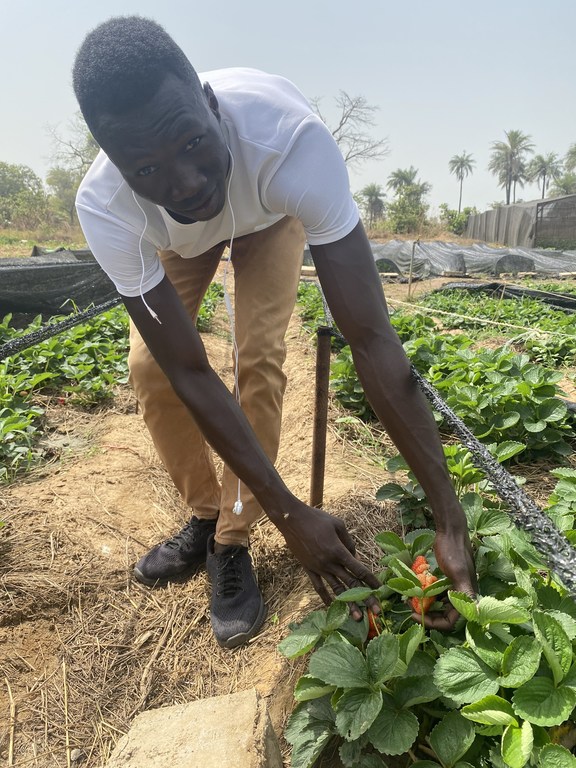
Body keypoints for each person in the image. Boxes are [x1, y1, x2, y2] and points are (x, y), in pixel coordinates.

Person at [72, 16, 475, 649]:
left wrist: (449, 517)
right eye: (145, 170)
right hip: (175, 239)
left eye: (190, 143)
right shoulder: (106, 206)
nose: (184, 181)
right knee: (150, 369)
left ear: (211, 104)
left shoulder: (290, 143)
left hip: (266, 213)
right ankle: (206, 516)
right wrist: (293, 514)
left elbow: (369, 337)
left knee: (257, 353)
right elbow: (188, 371)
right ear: (116, 165)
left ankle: (234, 538)